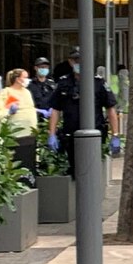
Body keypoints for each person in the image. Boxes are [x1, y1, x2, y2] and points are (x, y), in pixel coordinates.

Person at [47, 47, 120, 177]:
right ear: (70, 62)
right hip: (71, 135)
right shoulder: (63, 82)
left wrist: (115, 135)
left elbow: (111, 108)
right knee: (75, 171)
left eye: (81, 60)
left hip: (95, 134)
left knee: (91, 172)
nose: (78, 63)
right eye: (75, 60)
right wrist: (52, 134)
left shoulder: (98, 82)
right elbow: (55, 109)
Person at [3, 69, 37, 137]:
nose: (28, 80)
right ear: (17, 79)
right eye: (25, 77)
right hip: (17, 128)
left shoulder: (27, 91)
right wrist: (9, 110)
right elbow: (4, 109)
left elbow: (29, 107)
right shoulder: (7, 91)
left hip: (31, 128)